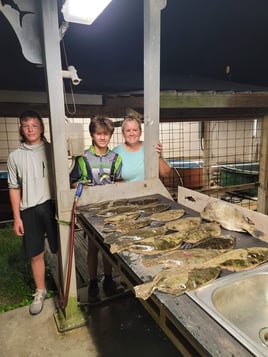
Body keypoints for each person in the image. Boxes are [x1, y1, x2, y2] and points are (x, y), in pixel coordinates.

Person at [7, 110, 58, 316]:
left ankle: (65, 285)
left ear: (42, 128)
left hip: (50, 205)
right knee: (36, 253)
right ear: (21, 128)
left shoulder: (52, 150)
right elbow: (13, 187)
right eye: (26, 125)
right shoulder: (15, 156)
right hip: (28, 209)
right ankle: (41, 290)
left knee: (59, 249)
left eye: (34, 125)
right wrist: (17, 218)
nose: (30, 129)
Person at [69, 116, 124, 302]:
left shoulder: (116, 158)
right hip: (90, 212)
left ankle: (108, 279)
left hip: (111, 210)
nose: (102, 137)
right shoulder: (83, 158)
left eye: (106, 134)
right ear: (92, 134)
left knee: (109, 246)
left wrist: (119, 185)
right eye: (99, 133)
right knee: (93, 247)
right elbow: (73, 182)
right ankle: (93, 281)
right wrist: (80, 185)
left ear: (110, 135)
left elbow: (119, 181)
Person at [113, 116, 171, 181]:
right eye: (128, 130)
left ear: (140, 132)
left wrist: (159, 157)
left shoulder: (150, 147)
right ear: (123, 133)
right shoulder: (116, 152)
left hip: (149, 190)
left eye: (135, 130)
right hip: (127, 190)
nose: (131, 134)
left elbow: (165, 174)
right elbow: (111, 178)